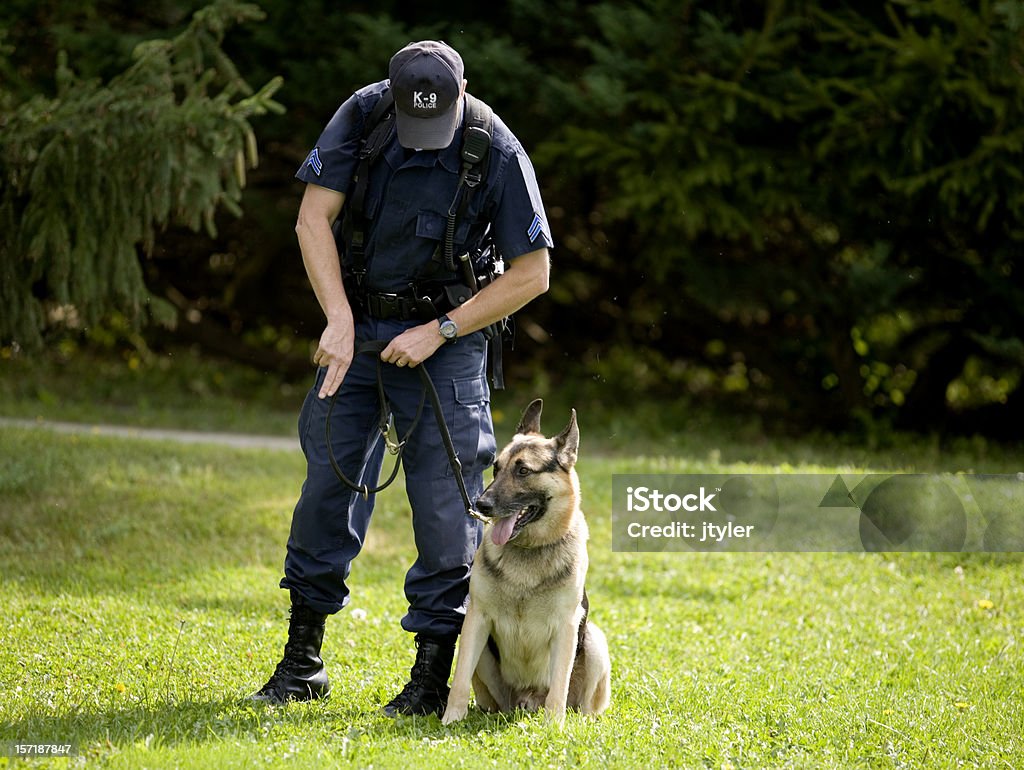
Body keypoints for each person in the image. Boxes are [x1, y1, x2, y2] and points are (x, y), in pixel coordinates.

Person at [251, 40, 552, 716]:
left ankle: (429, 679)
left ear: (463, 89)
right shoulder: (361, 116)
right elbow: (312, 218)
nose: (422, 141)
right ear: (389, 93)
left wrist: (440, 330)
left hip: (445, 340)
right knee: (326, 485)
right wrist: (336, 319)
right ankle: (303, 661)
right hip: (355, 329)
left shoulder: (494, 147)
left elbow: (533, 274)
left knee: (449, 507)